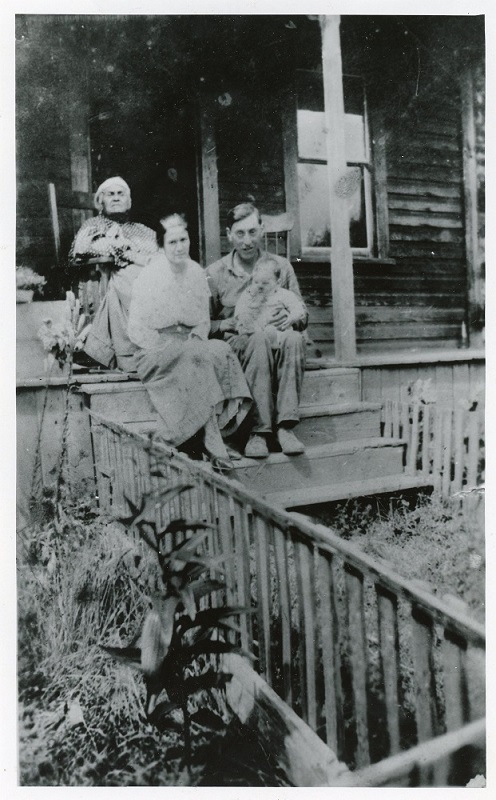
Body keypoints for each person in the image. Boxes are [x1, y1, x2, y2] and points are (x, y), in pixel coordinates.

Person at [128, 213, 252, 467]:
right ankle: (212, 441)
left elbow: (203, 320)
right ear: (162, 246)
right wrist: (168, 345)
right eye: (172, 242)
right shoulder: (150, 275)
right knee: (194, 356)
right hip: (155, 349)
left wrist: (196, 335)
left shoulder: (196, 271)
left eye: (183, 240)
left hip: (188, 342)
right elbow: (137, 328)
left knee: (219, 349)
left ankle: (218, 433)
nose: (179, 247)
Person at [206, 201, 308, 457]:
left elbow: (302, 314)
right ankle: (259, 432)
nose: (247, 241)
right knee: (259, 339)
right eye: (239, 233)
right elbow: (200, 324)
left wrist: (291, 320)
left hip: (277, 337)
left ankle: (285, 427)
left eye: (252, 232)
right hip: (239, 346)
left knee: (295, 339)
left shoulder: (281, 267)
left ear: (261, 230)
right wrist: (225, 324)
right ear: (229, 235)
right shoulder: (215, 274)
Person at [69, 177, 158, 370]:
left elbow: (156, 257)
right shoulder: (92, 226)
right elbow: (84, 248)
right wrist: (129, 253)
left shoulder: (143, 230)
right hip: (104, 282)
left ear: (129, 201)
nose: (116, 198)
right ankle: (132, 356)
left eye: (121, 194)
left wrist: (127, 253)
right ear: (101, 201)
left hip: (145, 284)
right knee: (129, 278)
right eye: (111, 194)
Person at [234, 257, 307, 348]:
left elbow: (298, 309)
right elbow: (240, 308)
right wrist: (242, 316)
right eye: (256, 282)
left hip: (278, 331)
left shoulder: (284, 294)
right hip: (254, 330)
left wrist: (291, 318)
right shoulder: (249, 293)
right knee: (246, 330)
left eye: (265, 283)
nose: (259, 286)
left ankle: (273, 346)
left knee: (274, 332)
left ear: (278, 283)